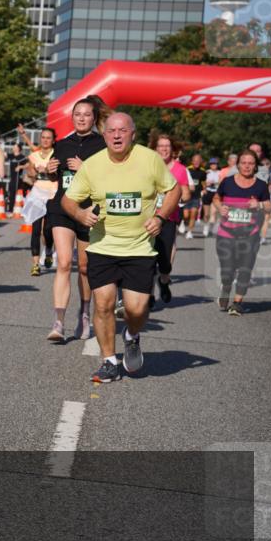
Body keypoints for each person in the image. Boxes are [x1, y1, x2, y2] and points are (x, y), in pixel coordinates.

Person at [62, 112, 179, 383]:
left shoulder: (149, 159)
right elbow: (68, 200)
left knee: (136, 310)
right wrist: (80, 214)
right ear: (104, 136)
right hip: (103, 246)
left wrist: (160, 217)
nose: (116, 135)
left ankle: (132, 335)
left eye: (123, 130)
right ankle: (109, 362)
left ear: (132, 134)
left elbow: (174, 190)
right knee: (103, 304)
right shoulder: (92, 165)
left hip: (140, 248)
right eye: (111, 131)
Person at [44, 95, 108, 342]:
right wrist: (50, 171)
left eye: (86, 115)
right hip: (62, 208)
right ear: (72, 117)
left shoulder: (102, 146)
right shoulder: (62, 144)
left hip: (89, 212)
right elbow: (58, 176)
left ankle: (84, 313)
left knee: (84, 267)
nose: (81, 119)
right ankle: (58, 323)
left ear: (94, 118)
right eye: (77, 114)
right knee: (63, 263)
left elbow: (109, 180)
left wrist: (85, 169)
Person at [213, 150, 271, 315]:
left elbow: (269, 206)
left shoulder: (260, 185)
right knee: (227, 271)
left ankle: (237, 303)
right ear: (238, 164)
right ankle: (226, 288)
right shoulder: (227, 182)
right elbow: (216, 198)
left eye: (251, 163)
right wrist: (220, 207)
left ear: (255, 166)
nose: (247, 166)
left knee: (246, 268)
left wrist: (259, 205)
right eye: (244, 163)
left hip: (250, 235)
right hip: (226, 234)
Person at [148, 133, 191, 307]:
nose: (164, 149)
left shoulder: (180, 169)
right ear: (154, 149)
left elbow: (186, 194)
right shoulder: (148, 166)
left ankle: (164, 279)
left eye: (167, 146)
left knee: (165, 260)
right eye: (161, 146)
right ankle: (149, 294)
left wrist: (177, 195)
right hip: (148, 218)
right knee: (148, 257)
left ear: (172, 149)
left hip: (168, 218)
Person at [22, 127, 58, 276]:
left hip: (52, 194)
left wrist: (49, 170)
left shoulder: (56, 154)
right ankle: (35, 264)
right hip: (37, 193)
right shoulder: (34, 156)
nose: (45, 140)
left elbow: (58, 175)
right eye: (43, 137)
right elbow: (30, 173)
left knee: (48, 230)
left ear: (53, 140)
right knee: (36, 230)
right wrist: (35, 171)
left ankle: (48, 250)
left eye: (48, 138)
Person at [184, 152, 207, 238]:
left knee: (194, 213)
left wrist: (204, 189)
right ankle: (183, 222)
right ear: (192, 161)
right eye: (195, 160)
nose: (196, 162)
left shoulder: (203, 171)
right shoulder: (187, 170)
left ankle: (190, 232)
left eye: (198, 160)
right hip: (187, 196)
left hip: (196, 196)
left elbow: (203, 182)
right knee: (186, 215)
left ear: (201, 161)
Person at [202, 157, 222, 237]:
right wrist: (205, 186)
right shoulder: (206, 172)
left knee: (213, 213)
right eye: (212, 164)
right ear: (210, 165)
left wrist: (216, 183)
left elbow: (221, 182)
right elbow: (202, 182)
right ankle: (206, 226)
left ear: (217, 165)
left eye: (215, 164)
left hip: (216, 193)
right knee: (206, 214)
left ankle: (211, 229)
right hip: (207, 193)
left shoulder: (220, 172)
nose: (213, 165)